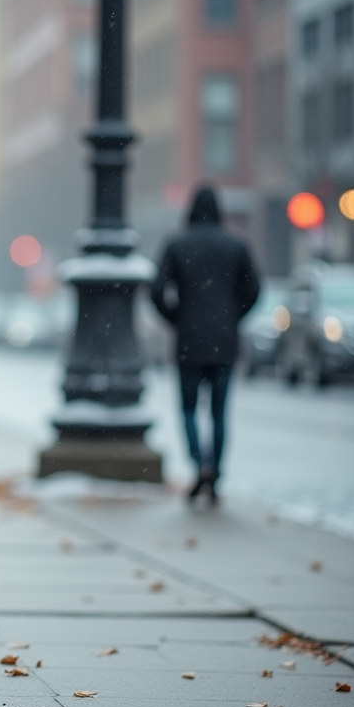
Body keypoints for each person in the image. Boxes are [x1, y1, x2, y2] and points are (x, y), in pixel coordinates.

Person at [150, 185, 260, 507]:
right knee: (219, 412)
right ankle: (217, 473)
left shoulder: (176, 244)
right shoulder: (236, 245)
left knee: (187, 409)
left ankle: (200, 464)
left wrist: (178, 319)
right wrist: (232, 318)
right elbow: (254, 290)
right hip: (225, 342)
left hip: (189, 342)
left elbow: (157, 291)